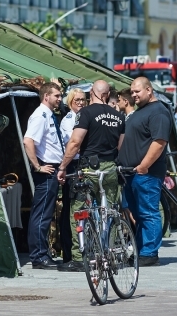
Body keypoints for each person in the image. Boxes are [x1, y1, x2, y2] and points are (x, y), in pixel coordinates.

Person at [57, 80, 124, 272]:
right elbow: (120, 146)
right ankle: (109, 253)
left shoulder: (85, 113)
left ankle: (79, 258)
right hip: (110, 168)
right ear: (107, 93)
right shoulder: (119, 116)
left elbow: (75, 142)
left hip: (89, 169)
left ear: (92, 93)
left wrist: (63, 166)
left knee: (79, 211)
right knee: (109, 211)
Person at [117, 77, 173, 267]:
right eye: (132, 92)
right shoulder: (141, 111)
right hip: (132, 173)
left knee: (148, 213)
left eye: (137, 91)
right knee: (138, 214)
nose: (133, 95)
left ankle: (149, 252)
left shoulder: (158, 112)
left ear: (149, 90)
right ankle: (141, 251)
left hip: (146, 174)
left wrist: (144, 166)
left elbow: (159, 142)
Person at [23, 82, 65, 270]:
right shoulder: (40, 115)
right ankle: (39, 256)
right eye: (56, 95)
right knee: (41, 215)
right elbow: (28, 140)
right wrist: (37, 166)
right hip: (47, 170)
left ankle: (42, 253)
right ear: (46, 96)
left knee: (46, 214)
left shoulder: (48, 115)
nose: (60, 99)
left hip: (54, 168)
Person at [57, 87, 86, 263]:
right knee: (72, 207)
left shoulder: (84, 116)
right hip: (73, 163)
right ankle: (69, 253)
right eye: (77, 100)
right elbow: (75, 144)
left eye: (83, 99)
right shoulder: (69, 121)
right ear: (70, 102)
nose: (81, 103)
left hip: (83, 162)